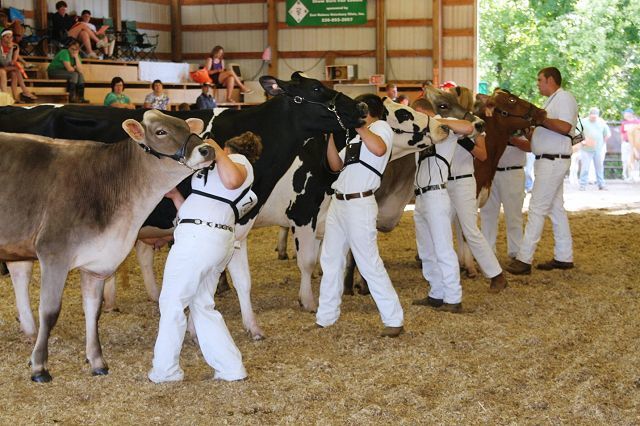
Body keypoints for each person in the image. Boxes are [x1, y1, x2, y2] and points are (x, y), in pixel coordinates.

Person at [149, 131, 263, 383]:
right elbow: (199, 208)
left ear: (229, 147)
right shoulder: (218, 175)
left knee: (172, 301)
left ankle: (165, 370)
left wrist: (218, 150)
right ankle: (231, 367)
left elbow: (233, 181)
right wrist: (177, 197)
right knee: (201, 305)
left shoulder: (240, 163)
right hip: (206, 236)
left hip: (199, 239)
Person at [315, 94, 404, 337]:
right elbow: (335, 165)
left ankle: (394, 319)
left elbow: (379, 148)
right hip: (339, 201)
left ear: (366, 110)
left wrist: (358, 124)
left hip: (360, 203)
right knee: (331, 260)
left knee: (368, 262)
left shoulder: (381, 128)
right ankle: (326, 316)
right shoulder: (356, 137)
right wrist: (330, 135)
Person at [506, 67, 578, 275]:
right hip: (546, 159)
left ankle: (524, 258)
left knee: (537, 208)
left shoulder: (564, 98)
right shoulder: (552, 100)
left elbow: (564, 127)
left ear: (551, 80)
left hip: (553, 161)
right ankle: (564, 256)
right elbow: (543, 136)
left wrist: (541, 118)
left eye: (540, 80)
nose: (538, 83)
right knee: (556, 210)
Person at [410, 98, 474, 312]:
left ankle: (454, 298)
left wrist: (436, 121)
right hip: (420, 197)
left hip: (437, 194)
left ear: (424, 112)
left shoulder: (444, 125)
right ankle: (436, 293)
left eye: (415, 113)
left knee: (443, 248)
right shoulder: (420, 134)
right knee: (426, 249)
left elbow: (469, 127)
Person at [446, 86, 508, 292]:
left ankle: (496, 275)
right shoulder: (441, 121)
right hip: (443, 182)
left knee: (470, 229)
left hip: (463, 181)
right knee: (440, 229)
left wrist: (464, 141)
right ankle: (449, 274)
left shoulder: (476, 123)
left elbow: (482, 155)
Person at [480, 130, 531, 261]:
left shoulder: (520, 125)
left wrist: (510, 139)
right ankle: (487, 250)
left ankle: (515, 251)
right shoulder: (489, 125)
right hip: (491, 172)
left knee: (513, 215)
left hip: (513, 171)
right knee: (487, 213)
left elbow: (530, 147)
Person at [578, 107, 611, 190]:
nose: (593, 117)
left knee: (599, 167)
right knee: (585, 168)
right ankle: (582, 185)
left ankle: (601, 185)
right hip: (586, 149)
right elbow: (576, 133)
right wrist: (583, 141)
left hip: (598, 149)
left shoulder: (601, 122)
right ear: (589, 114)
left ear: (597, 116)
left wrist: (602, 143)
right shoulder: (583, 122)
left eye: (595, 116)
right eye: (592, 115)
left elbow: (607, 134)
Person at [0, 29, 37, 102]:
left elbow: (12, 62)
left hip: (5, 68)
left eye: (11, 37)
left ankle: (15, 98)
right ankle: (6, 96)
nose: (10, 39)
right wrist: (9, 50)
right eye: (7, 37)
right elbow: (3, 62)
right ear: (2, 38)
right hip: (1, 68)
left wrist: (11, 50)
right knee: (4, 72)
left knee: (14, 73)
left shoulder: (15, 47)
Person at [620, 108, 640, 182]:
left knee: (636, 159)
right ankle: (626, 175)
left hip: (636, 144)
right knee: (625, 159)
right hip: (626, 143)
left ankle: (635, 176)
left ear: (630, 114)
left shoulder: (637, 122)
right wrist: (622, 142)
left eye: (625, 113)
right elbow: (622, 133)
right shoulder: (624, 123)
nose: (624, 115)